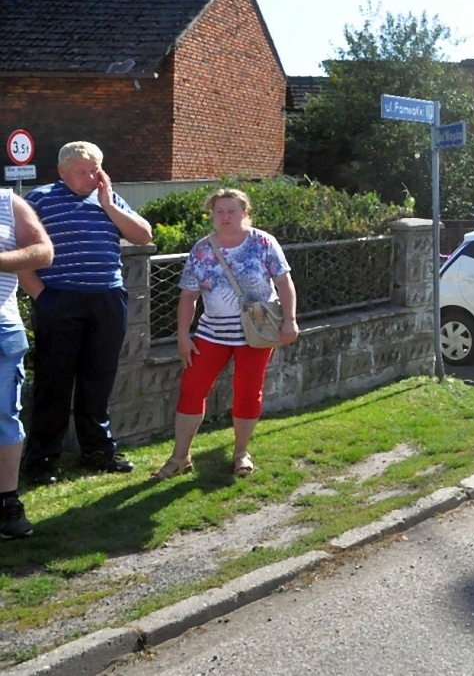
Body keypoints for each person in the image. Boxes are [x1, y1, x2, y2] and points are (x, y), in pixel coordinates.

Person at [19, 141, 153, 485]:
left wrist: (108, 203)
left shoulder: (108, 198)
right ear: (62, 171)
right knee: (54, 381)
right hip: (60, 299)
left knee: (99, 379)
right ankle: (42, 458)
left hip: (106, 300)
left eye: (95, 169)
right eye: (82, 171)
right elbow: (21, 251)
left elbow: (143, 236)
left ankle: (97, 451)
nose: (91, 176)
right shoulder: (40, 199)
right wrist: (42, 296)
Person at [152, 189, 299, 480]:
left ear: (245, 212)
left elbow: (284, 282)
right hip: (211, 334)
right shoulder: (202, 249)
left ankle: (241, 452)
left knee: (247, 391)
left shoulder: (264, 243)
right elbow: (188, 297)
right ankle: (180, 457)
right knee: (192, 389)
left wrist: (290, 321)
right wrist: (183, 336)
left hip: (255, 334)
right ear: (212, 215)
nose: (225, 217)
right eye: (219, 212)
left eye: (231, 211)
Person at [0, 191, 52, 538]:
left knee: (4, 416)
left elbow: (43, 252)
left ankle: (7, 503)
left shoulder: (7, 202)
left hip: (2, 328)